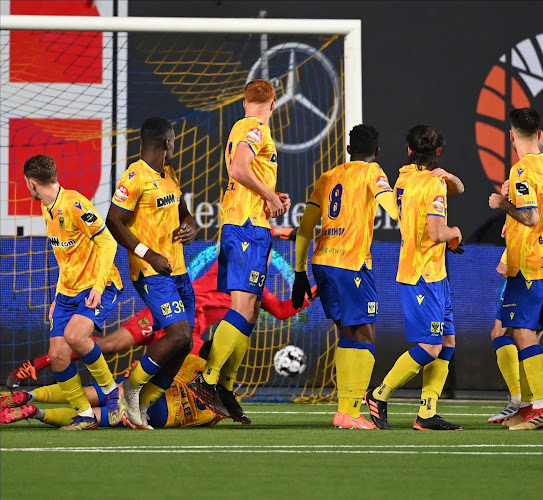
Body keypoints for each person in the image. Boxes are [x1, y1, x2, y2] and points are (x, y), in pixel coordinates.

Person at [5, 255, 317, 389]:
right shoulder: (227, 268)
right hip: (164, 313)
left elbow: (285, 310)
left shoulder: (258, 292)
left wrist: (316, 290)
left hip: (187, 334)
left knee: (183, 366)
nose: (257, 261)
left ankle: (46, 399)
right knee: (108, 344)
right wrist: (274, 231)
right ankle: (38, 364)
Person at [189, 80, 291, 423]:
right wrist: (269, 196)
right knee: (242, 307)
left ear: (244, 102)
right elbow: (238, 169)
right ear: (273, 104)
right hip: (245, 227)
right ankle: (207, 378)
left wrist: (273, 197)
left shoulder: (244, 125)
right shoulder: (255, 128)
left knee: (250, 311)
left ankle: (225, 386)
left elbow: (248, 174)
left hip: (253, 225)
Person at [292, 125, 400, 430]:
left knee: (349, 335)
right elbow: (391, 208)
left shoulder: (328, 177)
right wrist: (414, 216)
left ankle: (344, 411)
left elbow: (304, 228)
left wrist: (299, 272)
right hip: (351, 265)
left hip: (322, 262)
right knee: (365, 334)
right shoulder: (372, 171)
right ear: (376, 152)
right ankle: (350, 410)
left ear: (349, 149)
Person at [365, 124, 465, 431]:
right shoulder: (432, 185)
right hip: (424, 274)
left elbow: (458, 188)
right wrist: (456, 234)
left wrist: (449, 177)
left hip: (431, 273)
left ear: (409, 151)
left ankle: (427, 413)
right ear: (438, 151)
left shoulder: (403, 179)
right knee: (432, 346)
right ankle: (379, 394)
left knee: (447, 341)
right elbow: (437, 233)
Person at [22, 154, 126, 431]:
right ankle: (85, 415)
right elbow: (65, 259)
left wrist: (98, 286)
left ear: (31, 183)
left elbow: (108, 243)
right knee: (57, 355)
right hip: (68, 293)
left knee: (75, 336)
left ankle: (113, 393)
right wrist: (57, 297)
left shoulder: (75, 204)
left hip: (99, 286)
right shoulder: (47, 208)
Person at [107, 117, 198, 429]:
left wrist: (191, 225)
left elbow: (184, 212)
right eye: (174, 142)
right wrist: (148, 253)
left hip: (179, 270)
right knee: (179, 334)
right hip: (151, 271)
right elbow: (113, 220)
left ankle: (143, 405)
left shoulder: (167, 173)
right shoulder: (134, 176)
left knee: (185, 342)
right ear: (167, 143)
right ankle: (131, 389)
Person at [483, 108, 543, 430]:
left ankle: (541, 406)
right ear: (539, 133)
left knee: (521, 333)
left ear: (511, 136)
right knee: (521, 332)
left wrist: (501, 204)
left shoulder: (522, 170)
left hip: (530, 265)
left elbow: (530, 217)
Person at [1, 341, 224, 429]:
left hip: (141, 385)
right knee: (94, 417)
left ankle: (30, 396)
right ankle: (36, 412)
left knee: (84, 394)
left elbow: (163, 367)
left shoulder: (192, 360)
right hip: (162, 413)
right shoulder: (223, 399)